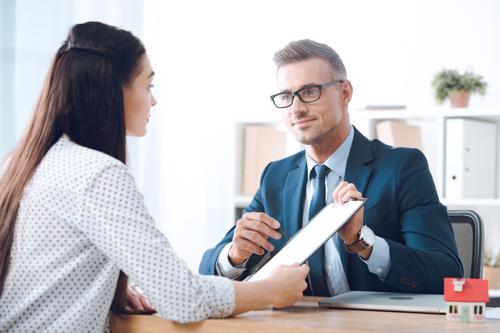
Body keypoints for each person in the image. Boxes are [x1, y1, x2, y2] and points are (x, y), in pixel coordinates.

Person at [0, 22, 309, 333]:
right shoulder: (99, 174)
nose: (154, 101)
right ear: (113, 90)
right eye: (148, 86)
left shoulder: (23, 163)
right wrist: (269, 290)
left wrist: (112, 291)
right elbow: (182, 298)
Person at [199, 39, 463, 296]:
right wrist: (235, 255)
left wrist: (362, 241)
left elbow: (446, 275)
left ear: (345, 93)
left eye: (310, 92)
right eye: (286, 96)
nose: (297, 108)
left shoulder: (402, 168)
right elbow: (208, 271)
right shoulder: (276, 177)